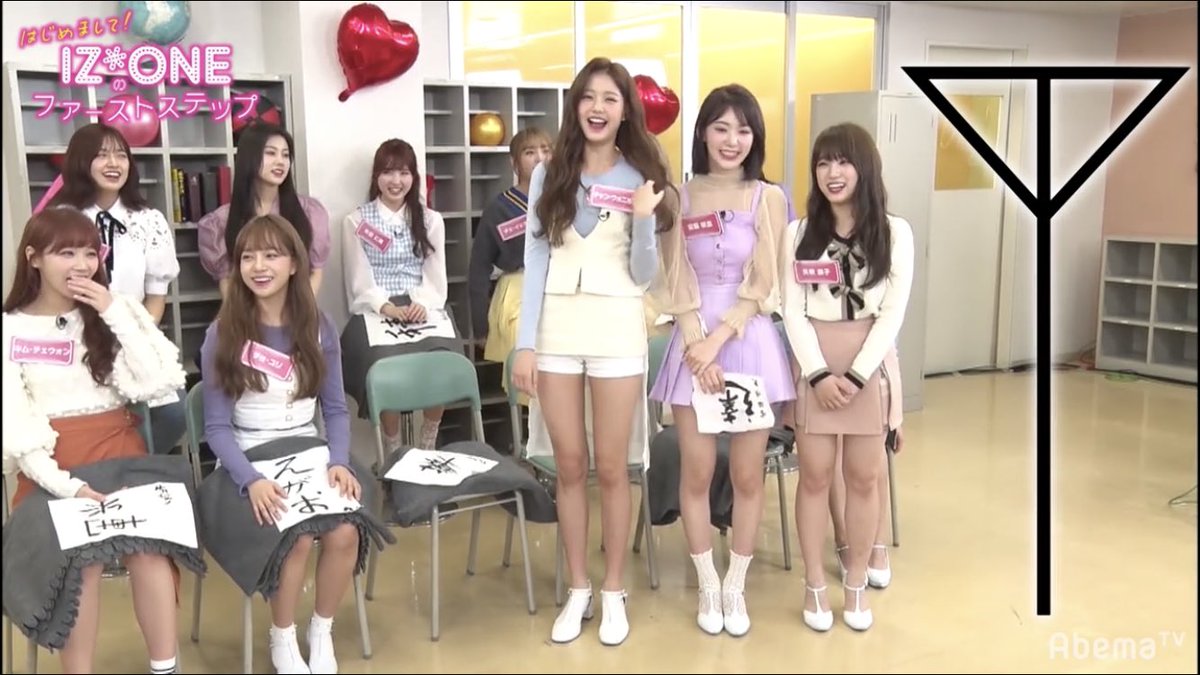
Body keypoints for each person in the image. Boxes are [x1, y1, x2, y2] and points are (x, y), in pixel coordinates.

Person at [510, 56, 677, 647]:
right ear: (575, 105)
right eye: (588, 97)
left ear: (625, 110)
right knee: (569, 465)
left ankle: (613, 589)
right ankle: (578, 586)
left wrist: (643, 220)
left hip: (616, 329)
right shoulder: (548, 173)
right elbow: (535, 259)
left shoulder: (641, 174)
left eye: (610, 98)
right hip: (557, 329)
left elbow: (644, 274)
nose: (598, 108)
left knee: (612, 466)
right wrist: (525, 343)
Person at [2, 207, 187, 674]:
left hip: (122, 452)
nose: (82, 264)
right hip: (51, 470)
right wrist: (69, 487)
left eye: (89, 253)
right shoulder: (10, 328)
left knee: (149, 546)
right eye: (66, 253)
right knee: (79, 559)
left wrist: (112, 311)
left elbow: (160, 381)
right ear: (33, 258)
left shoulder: (115, 309)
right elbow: (18, 430)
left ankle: (166, 667)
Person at [649, 84, 793, 637]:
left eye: (743, 129)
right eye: (721, 128)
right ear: (703, 133)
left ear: (755, 137)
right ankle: (707, 583)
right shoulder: (678, 197)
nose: (732, 140)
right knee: (698, 471)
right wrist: (696, 342)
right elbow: (673, 275)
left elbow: (766, 279)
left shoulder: (767, 197)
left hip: (747, 340)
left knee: (748, 474)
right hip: (692, 340)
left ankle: (736, 585)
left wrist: (719, 339)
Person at [200, 214, 363, 673]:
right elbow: (216, 428)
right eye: (248, 257)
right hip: (247, 457)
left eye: (271, 255)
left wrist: (339, 461)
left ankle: (321, 630)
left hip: (307, 450)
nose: (258, 266)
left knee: (345, 531)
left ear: (294, 264)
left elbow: (335, 409)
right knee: (297, 537)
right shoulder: (223, 332)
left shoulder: (319, 326)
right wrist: (250, 480)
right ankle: (283, 635)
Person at [780, 122, 911, 633]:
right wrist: (817, 374)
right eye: (823, 163)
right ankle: (814, 581)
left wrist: (856, 377)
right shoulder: (798, 233)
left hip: (868, 364)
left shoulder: (895, 233)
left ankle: (855, 581)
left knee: (864, 477)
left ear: (865, 168)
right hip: (814, 360)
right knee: (814, 477)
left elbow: (892, 314)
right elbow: (792, 311)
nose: (832, 173)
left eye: (843, 161)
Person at [50, 122, 186, 455]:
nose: (114, 164)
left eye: (121, 155)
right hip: (75, 342)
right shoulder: (59, 220)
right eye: (102, 155)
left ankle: (133, 465)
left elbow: (156, 295)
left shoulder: (148, 220)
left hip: (131, 337)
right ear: (82, 161)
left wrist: (133, 338)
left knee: (173, 412)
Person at [340, 138, 462, 450]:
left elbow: (436, 273)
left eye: (404, 172)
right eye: (388, 172)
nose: (396, 181)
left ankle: (428, 441)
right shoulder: (356, 221)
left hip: (422, 304)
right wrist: (385, 307)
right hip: (377, 308)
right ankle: (392, 447)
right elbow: (357, 277)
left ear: (414, 177)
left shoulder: (431, 219)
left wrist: (423, 303)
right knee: (383, 363)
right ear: (376, 177)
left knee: (445, 356)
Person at [199, 122, 331, 298]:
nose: (280, 162)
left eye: (285, 155)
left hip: (298, 309)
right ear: (250, 158)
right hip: (246, 311)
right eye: (270, 153)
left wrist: (298, 310)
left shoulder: (309, 212)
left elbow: (315, 272)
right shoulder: (220, 222)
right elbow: (228, 282)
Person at [468, 127, 552, 394]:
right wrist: (481, 326)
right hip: (518, 291)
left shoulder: (566, 198)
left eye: (546, 150)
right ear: (514, 162)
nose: (539, 158)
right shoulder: (500, 208)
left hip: (559, 286)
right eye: (530, 152)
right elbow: (479, 267)